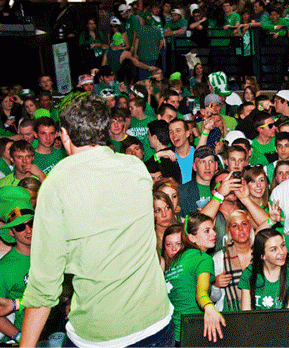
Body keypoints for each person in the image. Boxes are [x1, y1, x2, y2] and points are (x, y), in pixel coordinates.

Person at [20, 93, 174, 347]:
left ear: (65, 134)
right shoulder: (135, 168)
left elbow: (43, 288)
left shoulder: (56, 184)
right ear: (104, 129)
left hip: (101, 334)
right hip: (156, 323)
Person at [163, 217, 225, 344]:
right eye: (206, 231)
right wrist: (209, 308)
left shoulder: (175, 260)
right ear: (191, 238)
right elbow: (201, 293)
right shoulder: (203, 258)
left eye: (213, 229)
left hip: (174, 332)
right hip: (195, 331)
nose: (214, 233)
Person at [0, 187, 34, 345]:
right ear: (12, 232)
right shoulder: (5, 268)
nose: (28, 230)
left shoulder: (50, 253)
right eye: (20, 227)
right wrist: (20, 337)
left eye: (31, 223)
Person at [239, 228, 289, 310]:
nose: (282, 252)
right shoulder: (249, 273)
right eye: (273, 249)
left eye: (282, 245)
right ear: (262, 255)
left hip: (284, 321)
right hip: (255, 322)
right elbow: (246, 313)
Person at [211, 210, 253, 311]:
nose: (240, 229)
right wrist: (216, 285)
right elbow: (213, 298)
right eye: (235, 226)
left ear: (250, 227)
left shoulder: (262, 254)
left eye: (244, 224)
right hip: (229, 314)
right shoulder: (219, 258)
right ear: (228, 231)